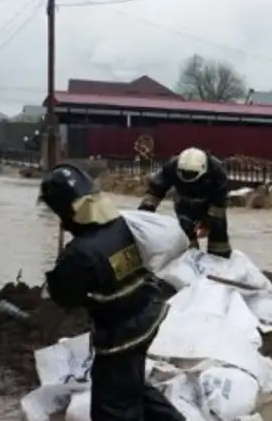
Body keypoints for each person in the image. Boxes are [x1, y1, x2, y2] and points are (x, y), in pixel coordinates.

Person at [38, 163, 184, 421]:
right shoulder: (122, 226)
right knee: (131, 385)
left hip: (121, 334)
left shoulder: (80, 254)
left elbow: (64, 296)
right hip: (147, 313)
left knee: (113, 404)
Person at [137, 147, 232, 259]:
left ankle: (220, 263)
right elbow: (156, 190)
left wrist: (208, 224)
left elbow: (219, 202)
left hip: (210, 203)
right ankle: (191, 261)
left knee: (218, 236)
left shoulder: (216, 170)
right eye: (185, 173)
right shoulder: (171, 167)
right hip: (184, 204)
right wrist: (144, 212)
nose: (188, 177)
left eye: (192, 174)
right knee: (186, 236)